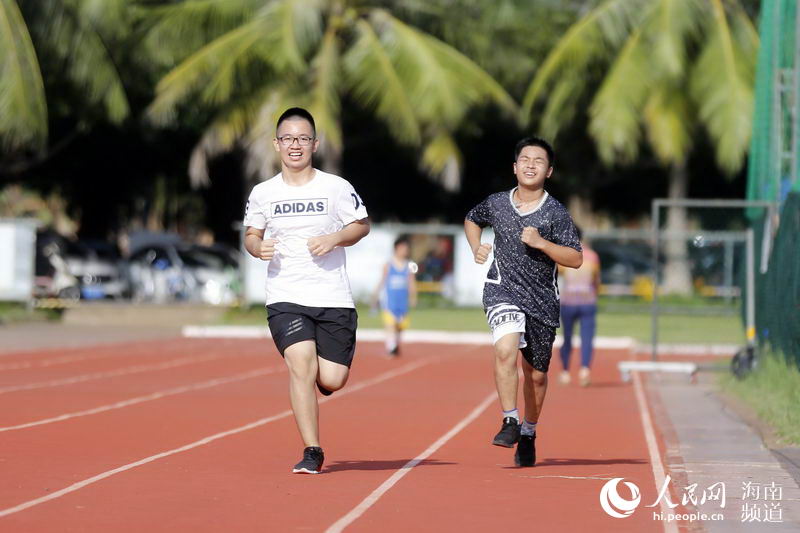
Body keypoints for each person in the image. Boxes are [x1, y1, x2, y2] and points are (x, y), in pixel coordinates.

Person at [243, 107, 370, 475]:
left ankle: (323, 376)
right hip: (285, 296)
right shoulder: (263, 192)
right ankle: (312, 450)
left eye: (302, 139)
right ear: (276, 144)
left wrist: (335, 237)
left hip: (332, 297)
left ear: (314, 144)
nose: (294, 145)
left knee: (331, 379)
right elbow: (252, 235)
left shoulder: (336, 187)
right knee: (301, 365)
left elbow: (361, 226)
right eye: (287, 139)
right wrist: (257, 247)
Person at [464, 137, 582, 467]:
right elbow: (473, 218)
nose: (531, 164)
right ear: (515, 167)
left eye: (539, 161)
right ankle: (509, 419)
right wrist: (477, 246)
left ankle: (529, 432)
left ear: (549, 171)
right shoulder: (497, 202)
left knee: (537, 376)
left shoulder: (556, 213)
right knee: (505, 349)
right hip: (501, 289)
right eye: (525, 159)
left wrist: (542, 243)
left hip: (542, 299)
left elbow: (575, 258)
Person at [558, 227, 600, 387]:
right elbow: (596, 280)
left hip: (569, 302)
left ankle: (565, 372)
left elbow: (559, 274)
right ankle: (584, 370)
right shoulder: (593, 256)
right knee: (587, 338)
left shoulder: (564, 255)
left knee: (567, 338)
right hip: (588, 301)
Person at [372, 236, 418, 356]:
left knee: (400, 326)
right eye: (402, 248)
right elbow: (382, 281)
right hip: (390, 301)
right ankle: (391, 347)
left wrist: (413, 297)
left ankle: (395, 343)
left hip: (402, 302)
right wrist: (375, 295)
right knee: (390, 323)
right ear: (396, 248)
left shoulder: (410, 265)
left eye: (406, 248)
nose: (405, 251)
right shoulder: (388, 264)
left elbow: (412, 282)